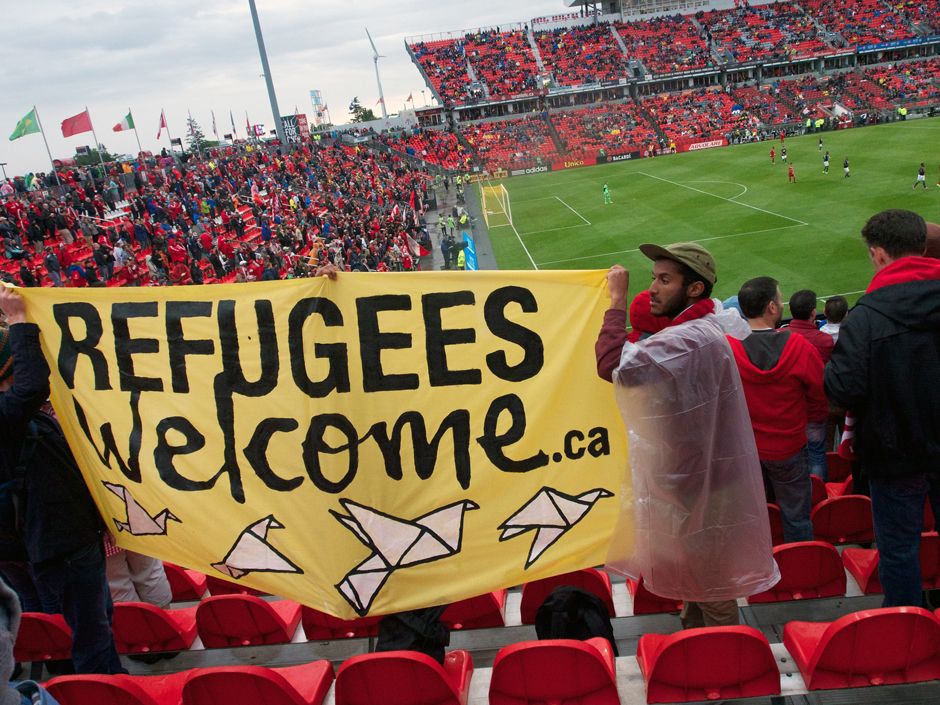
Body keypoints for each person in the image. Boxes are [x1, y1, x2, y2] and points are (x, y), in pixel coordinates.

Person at [596, 243, 779, 629]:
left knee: (712, 585)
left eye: (665, 280)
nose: (654, 290)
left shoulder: (691, 337)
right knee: (698, 581)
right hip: (695, 478)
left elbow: (612, 365)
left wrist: (616, 302)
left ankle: (728, 666)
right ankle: (699, 648)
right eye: (653, 279)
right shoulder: (699, 328)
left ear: (694, 289)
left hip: (701, 484)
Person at [0, 288, 124, 674]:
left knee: (49, 626)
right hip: (58, 543)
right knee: (92, 632)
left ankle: (66, 677)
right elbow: (33, 385)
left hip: (23, 544)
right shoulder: (10, 414)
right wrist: (20, 321)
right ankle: (103, 690)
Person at [825, 209, 940, 607]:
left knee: (900, 548)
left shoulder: (866, 318)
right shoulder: (867, 317)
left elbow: (842, 390)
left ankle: (907, 626)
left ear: (877, 255)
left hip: (895, 453)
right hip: (907, 448)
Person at [730, 278, 823, 539]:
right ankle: (798, 569)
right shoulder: (798, 346)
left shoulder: (729, 347)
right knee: (797, 517)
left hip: (749, 449)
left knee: (753, 517)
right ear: (772, 307)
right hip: (788, 447)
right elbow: (819, 394)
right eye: (780, 299)